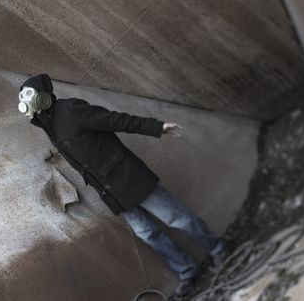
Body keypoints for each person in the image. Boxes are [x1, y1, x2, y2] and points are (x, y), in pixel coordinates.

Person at [18, 74, 227, 297]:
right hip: (110, 191)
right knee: (147, 233)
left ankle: (219, 250)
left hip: (129, 177)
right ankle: (187, 271)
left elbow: (115, 120)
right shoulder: (49, 128)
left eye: (30, 96)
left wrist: (157, 127)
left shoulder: (72, 109)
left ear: (43, 97)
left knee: (176, 217)